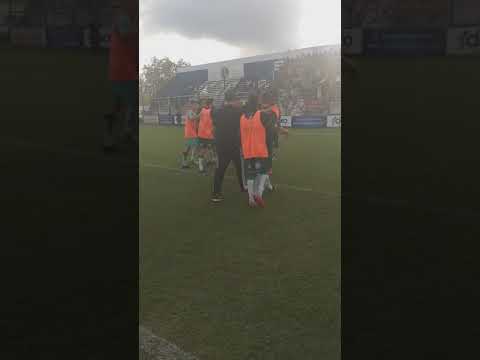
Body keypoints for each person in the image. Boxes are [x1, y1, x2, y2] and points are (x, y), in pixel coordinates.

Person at [103, 0, 139, 151]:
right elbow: (126, 34)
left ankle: (126, 132)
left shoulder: (126, 16)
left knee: (131, 103)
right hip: (122, 70)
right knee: (118, 105)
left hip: (127, 68)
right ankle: (109, 138)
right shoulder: (123, 17)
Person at [240, 93, 275, 208]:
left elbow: (240, 135)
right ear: (257, 102)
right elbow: (270, 133)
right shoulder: (262, 115)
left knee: (250, 175)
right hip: (260, 149)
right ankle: (259, 193)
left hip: (247, 150)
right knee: (264, 172)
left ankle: (251, 198)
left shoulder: (242, 117)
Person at [210, 90, 246, 203]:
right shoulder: (238, 111)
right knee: (240, 167)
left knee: (220, 169)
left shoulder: (217, 111)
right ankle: (243, 187)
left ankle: (216, 194)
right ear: (233, 100)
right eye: (237, 100)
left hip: (221, 145)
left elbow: (214, 118)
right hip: (234, 144)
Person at [195, 98, 215, 174]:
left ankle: (205, 163)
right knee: (205, 149)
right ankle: (202, 166)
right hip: (208, 135)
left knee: (206, 149)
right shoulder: (211, 111)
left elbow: (197, 118)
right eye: (212, 103)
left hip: (202, 134)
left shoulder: (202, 110)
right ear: (210, 104)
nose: (213, 105)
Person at [181, 100, 200, 168]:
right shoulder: (189, 112)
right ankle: (184, 163)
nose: (197, 106)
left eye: (197, 105)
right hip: (189, 133)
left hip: (193, 133)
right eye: (196, 104)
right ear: (192, 105)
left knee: (195, 146)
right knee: (187, 148)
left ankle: (192, 159)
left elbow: (195, 121)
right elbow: (191, 118)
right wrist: (200, 115)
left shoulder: (194, 112)